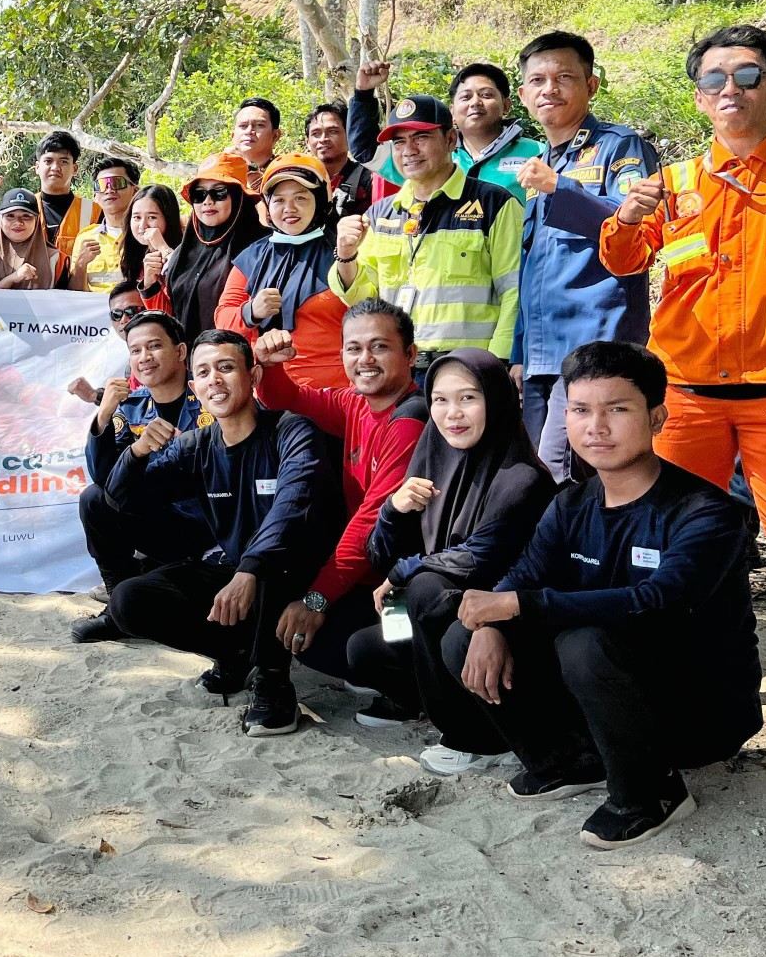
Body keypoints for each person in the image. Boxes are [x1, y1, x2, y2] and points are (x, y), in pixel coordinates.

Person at [444, 341, 761, 849]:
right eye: (580, 410)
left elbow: (658, 600)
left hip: (700, 709)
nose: (596, 427)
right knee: (465, 637)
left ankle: (652, 793)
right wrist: (490, 621)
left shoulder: (706, 512)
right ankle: (571, 762)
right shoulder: (570, 503)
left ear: (656, 418)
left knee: (583, 641)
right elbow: (526, 573)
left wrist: (517, 605)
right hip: (607, 689)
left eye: (617, 410)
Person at [599, 23, 766, 662]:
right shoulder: (673, 182)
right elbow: (623, 261)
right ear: (700, 97)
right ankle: (670, 656)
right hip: (685, 394)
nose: (730, 88)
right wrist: (626, 215)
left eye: (748, 75)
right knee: (667, 528)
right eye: (714, 78)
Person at [73, 330, 344, 736]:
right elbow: (118, 499)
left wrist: (250, 569)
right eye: (203, 372)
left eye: (226, 367)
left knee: (276, 560)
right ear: (195, 386)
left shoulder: (291, 430)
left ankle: (273, 680)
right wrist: (137, 453)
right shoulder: (197, 445)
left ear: (253, 376)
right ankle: (235, 656)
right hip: (236, 573)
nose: (214, 379)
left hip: (297, 579)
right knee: (131, 600)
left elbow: (293, 506)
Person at [346, 349, 557, 774]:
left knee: (426, 591)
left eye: (468, 398)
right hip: (444, 611)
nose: (452, 414)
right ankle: (427, 703)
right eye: (440, 400)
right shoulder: (432, 458)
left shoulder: (522, 478)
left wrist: (405, 572)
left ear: (495, 400)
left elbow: (478, 558)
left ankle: (474, 737)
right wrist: (393, 510)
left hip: (505, 622)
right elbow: (379, 555)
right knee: (363, 649)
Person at [249, 299, 428, 697]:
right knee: (301, 629)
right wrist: (271, 365)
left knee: (349, 648)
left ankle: (409, 689)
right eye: (354, 348)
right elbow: (287, 398)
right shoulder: (356, 402)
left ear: (410, 355)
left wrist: (316, 600)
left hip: (406, 581)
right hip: (373, 573)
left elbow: (369, 521)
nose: (365, 359)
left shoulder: (409, 421)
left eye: (379, 347)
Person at [509, 31, 659, 478]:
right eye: (537, 81)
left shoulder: (619, 147)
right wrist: (519, 351)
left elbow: (634, 224)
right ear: (523, 95)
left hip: (596, 344)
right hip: (541, 354)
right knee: (536, 473)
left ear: (591, 85)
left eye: (564, 77)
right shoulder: (543, 162)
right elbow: (532, 267)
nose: (549, 89)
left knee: (562, 472)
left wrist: (561, 188)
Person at [331, 93, 523, 370]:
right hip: (399, 370)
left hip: (468, 368)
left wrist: (499, 361)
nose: (408, 150)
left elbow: (514, 291)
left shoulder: (494, 203)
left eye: (420, 137)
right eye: (399, 142)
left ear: (450, 140)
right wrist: (346, 254)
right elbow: (362, 298)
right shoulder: (380, 214)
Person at [74, 311, 208, 592]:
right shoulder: (130, 406)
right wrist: (103, 416)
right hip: (158, 522)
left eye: (154, 346)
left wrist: (185, 448)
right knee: (93, 498)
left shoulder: (209, 396)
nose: (144, 357)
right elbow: (104, 479)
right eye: (135, 350)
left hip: (209, 522)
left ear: (181, 351)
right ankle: (116, 591)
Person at [217, 154, 345, 388]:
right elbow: (223, 318)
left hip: (336, 392)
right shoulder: (252, 256)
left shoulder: (343, 252)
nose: (289, 209)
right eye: (278, 200)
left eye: (300, 198)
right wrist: (250, 311)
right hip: (267, 388)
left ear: (320, 199)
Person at [348, 59, 547, 203]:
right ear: (452, 111)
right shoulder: (430, 155)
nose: (475, 102)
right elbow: (365, 150)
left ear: (506, 105)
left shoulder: (538, 153)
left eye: (486, 95)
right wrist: (363, 95)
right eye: (465, 97)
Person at [164, 153, 262, 337]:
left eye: (219, 193)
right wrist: (150, 289)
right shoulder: (182, 253)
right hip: (187, 353)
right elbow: (168, 313)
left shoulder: (263, 248)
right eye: (199, 194)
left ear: (238, 197)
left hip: (239, 353)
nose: (207, 201)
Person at [0, 131, 96, 264]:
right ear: (37, 167)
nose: (55, 167)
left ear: (75, 168)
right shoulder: (22, 206)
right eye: (48, 161)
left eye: (63, 161)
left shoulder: (94, 212)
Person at [0, 190, 85, 291]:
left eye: (26, 216)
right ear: (0, 220)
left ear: (36, 221)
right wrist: (12, 279)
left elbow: (67, 297)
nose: (18, 222)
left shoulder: (56, 260)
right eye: (10, 216)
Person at [74, 157, 138, 292]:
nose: (109, 190)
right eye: (102, 185)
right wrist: (81, 264)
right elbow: (74, 293)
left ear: (135, 191)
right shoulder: (85, 238)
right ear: (95, 196)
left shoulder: (145, 235)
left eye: (117, 182)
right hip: (93, 305)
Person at [305, 102, 376, 219]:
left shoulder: (369, 179)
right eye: (316, 134)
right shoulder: (300, 180)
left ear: (350, 137)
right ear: (307, 142)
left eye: (333, 131)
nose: (323, 139)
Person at [119, 184, 181, 310]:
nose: (143, 225)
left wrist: (163, 248)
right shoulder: (132, 256)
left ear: (168, 219)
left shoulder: (185, 254)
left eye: (152, 217)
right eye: (137, 217)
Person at [230, 98, 282, 192]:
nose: (249, 131)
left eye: (259, 125)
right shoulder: (220, 172)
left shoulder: (285, 172)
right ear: (233, 136)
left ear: (275, 135)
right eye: (243, 126)